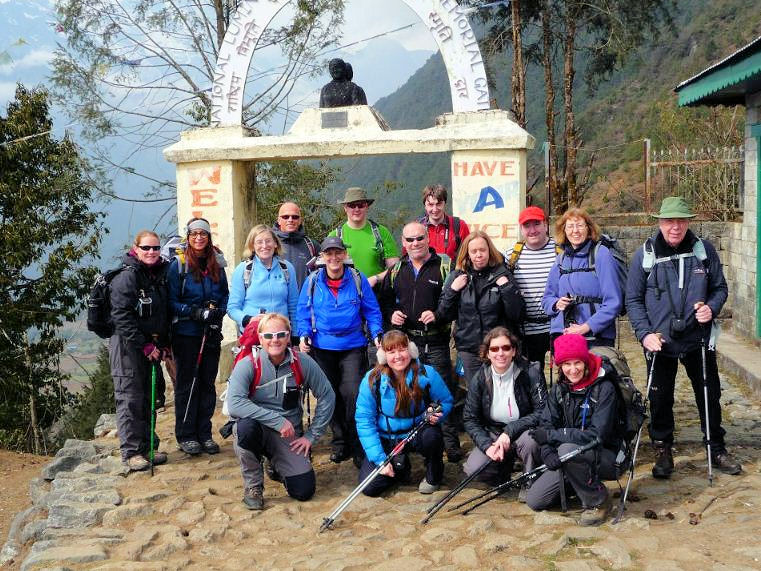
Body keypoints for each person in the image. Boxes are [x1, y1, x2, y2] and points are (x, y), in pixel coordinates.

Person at [626, 196, 740, 477]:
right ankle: (663, 450)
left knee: (709, 395)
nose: (675, 227)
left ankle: (716, 447)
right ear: (661, 223)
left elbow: (719, 288)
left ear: (688, 222)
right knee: (660, 398)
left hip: (697, 340)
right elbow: (633, 300)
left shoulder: (704, 251)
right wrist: (644, 335)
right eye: (669, 221)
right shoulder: (645, 255)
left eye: (680, 221)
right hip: (659, 342)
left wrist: (711, 309)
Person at [227, 313, 335, 510]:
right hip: (257, 428)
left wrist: (312, 436)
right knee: (245, 428)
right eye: (268, 336)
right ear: (260, 338)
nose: (274, 340)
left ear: (288, 335)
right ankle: (253, 486)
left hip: (289, 435)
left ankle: (276, 464)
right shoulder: (248, 364)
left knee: (303, 491)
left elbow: (327, 395)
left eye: (280, 334)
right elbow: (234, 403)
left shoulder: (303, 362)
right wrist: (276, 420)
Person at [377, 221, 463, 462]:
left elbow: (455, 303)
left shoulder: (445, 266)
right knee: (411, 390)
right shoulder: (397, 270)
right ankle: (412, 442)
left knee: (442, 391)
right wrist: (390, 314)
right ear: (403, 243)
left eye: (419, 238)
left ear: (427, 239)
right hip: (408, 342)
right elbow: (384, 301)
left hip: (436, 341)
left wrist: (437, 314)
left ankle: (450, 444)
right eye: (410, 240)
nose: (415, 243)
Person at [297, 236, 383, 466]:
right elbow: (303, 311)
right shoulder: (313, 281)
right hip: (321, 347)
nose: (334, 258)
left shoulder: (357, 279)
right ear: (322, 257)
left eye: (338, 253)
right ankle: (340, 442)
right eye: (329, 253)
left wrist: (377, 334)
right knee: (329, 394)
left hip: (353, 345)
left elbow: (372, 311)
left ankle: (357, 443)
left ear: (344, 255)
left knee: (353, 393)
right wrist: (304, 333)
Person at [525, 334, 620, 526]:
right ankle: (578, 482)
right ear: (560, 366)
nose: (573, 369)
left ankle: (599, 501)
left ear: (585, 362)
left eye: (578, 363)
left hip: (606, 456)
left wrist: (553, 437)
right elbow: (546, 425)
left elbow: (597, 435)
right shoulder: (559, 389)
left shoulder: (605, 388)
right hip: (569, 456)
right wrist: (547, 451)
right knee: (535, 500)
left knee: (567, 449)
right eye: (567, 364)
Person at [355, 330, 454, 495]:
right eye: (391, 351)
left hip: (417, 432)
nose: (398, 356)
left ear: (411, 350)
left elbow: (446, 401)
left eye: (402, 349)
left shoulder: (427, 373)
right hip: (386, 437)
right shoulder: (372, 379)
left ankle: (434, 473)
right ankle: (399, 467)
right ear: (383, 356)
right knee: (369, 488)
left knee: (432, 436)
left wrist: (438, 413)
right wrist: (380, 460)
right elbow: (364, 420)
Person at [109, 230, 170, 471]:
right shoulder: (128, 277)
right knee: (130, 398)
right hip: (127, 347)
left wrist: (161, 343)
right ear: (135, 249)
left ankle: (147, 448)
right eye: (146, 248)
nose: (151, 252)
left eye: (155, 248)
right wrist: (144, 345)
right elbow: (121, 316)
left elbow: (161, 312)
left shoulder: (155, 275)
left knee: (147, 397)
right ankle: (132, 452)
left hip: (149, 347)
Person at [168, 217, 229, 456]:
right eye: (194, 234)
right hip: (186, 334)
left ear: (209, 236)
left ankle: (204, 433)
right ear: (188, 237)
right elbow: (171, 301)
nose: (199, 238)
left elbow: (224, 294)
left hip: (210, 333)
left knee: (207, 384)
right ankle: (186, 435)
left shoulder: (216, 263)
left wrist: (218, 312)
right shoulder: (179, 265)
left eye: (203, 233)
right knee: (187, 384)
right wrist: (194, 312)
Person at [462, 327, 546, 497]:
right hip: (493, 432)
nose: (500, 353)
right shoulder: (479, 378)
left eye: (506, 348)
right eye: (494, 349)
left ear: (514, 351)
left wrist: (510, 431)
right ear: (487, 353)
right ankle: (502, 473)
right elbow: (470, 418)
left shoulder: (531, 372)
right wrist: (486, 446)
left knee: (531, 444)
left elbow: (542, 411)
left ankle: (530, 480)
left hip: (524, 430)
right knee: (473, 468)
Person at [437, 230, 525, 384]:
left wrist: (506, 288)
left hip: (498, 348)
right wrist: (453, 290)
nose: (479, 254)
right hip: (469, 348)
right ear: (467, 254)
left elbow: (516, 314)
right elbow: (443, 314)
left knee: (501, 392)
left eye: (482, 250)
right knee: (475, 393)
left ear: (489, 251)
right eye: (474, 251)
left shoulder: (502, 274)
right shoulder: (457, 276)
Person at [542, 208, 622, 348]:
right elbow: (547, 299)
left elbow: (613, 302)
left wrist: (586, 327)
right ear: (564, 230)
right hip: (564, 335)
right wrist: (556, 304)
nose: (575, 231)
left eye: (580, 225)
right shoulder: (560, 259)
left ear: (588, 228)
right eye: (570, 226)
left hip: (596, 337)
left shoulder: (601, 254)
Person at [505, 206, 557, 369]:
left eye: (537, 224)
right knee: (533, 378)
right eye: (527, 226)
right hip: (527, 331)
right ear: (521, 229)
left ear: (546, 225)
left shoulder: (561, 251)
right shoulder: (511, 256)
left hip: (557, 328)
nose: (532, 230)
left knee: (567, 375)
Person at [227, 224, 299, 332]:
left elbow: (294, 306)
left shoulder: (287, 268)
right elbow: (232, 308)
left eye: (268, 241)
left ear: (275, 243)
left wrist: (295, 336)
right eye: (259, 242)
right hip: (253, 334)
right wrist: (248, 319)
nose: (264, 246)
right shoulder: (243, 270)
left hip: (281, 334)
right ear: (252, 246)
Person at [329, 187, 400, 289]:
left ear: (367, 206)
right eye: (352, 206)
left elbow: (395, 268)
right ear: (345, 208)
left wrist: (376, 278)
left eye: (360, 205)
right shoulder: (335, 236)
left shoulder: (381, 232)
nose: (357, 209)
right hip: (345, 294)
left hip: (377, 294)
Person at [272, 201, 318, 287]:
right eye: (285, 217)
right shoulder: (268, 245)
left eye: (295, 217)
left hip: (304, 299)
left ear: (300, 220)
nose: (290, 220)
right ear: (279, 220)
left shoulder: (311, 245)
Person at [418, 184, 470, 259]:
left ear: (445, 203)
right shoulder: (416, 228)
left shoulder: (459, 225)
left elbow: (468, 254)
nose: (435, 209)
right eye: (430, 205)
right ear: (425, 206)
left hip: (452, 270)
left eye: (438, 204)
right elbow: (407, 257)